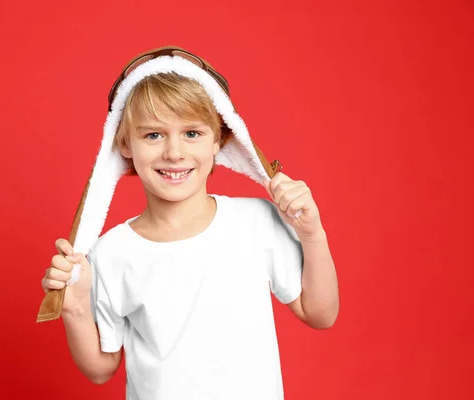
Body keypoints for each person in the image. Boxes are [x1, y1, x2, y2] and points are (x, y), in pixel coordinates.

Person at [40, 46, 339, 399]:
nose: (174, 152)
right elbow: (101, 368)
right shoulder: (112, 253)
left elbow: (320, 313)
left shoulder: (255, 222)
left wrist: (312, 235)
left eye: (192, 133)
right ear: (124, 145)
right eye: (153, 135)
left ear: (220, 139)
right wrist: (74, 306)